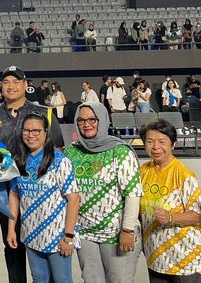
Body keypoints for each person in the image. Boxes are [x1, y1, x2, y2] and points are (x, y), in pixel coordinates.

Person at [0, 66, 64, 283]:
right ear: (0, 86)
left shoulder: (45, 113)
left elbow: (58, 153)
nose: (11, 86)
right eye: (6, 82)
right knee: (12, 247)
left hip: (40, 194)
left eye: (16, 82)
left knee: (45, 247)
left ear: (26, 85)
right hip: (4, 195)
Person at [64, 102, 142, 283]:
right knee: (92, 280)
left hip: (115, 232)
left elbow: (132, 193)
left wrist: (127, 229)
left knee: (119, 280)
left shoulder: (120, 151)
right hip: (84, 234)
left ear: (103, 120)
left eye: (92, 119)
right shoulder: (71, 152)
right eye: (81, 120)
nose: (86, 124)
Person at [7, 113, 80, 283]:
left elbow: (74, 199)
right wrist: (12, 229)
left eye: (36, 131)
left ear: (46, 132)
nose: (30, 135)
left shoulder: (60, 161)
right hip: (31, 234)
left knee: (62, 279)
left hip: (57, 236)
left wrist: (68, 236)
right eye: (26, 130)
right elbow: (14, 195)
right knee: (39, 279)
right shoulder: (18, 161)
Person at [138, 120, 201, 283]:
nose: (155, 147)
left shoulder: (184, 174)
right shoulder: (142, 171)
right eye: (150, 141)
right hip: (156, 257)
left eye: (162, 141)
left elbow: (197, 215)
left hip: (185, 257)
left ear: (173, 144)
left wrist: (171, 217)